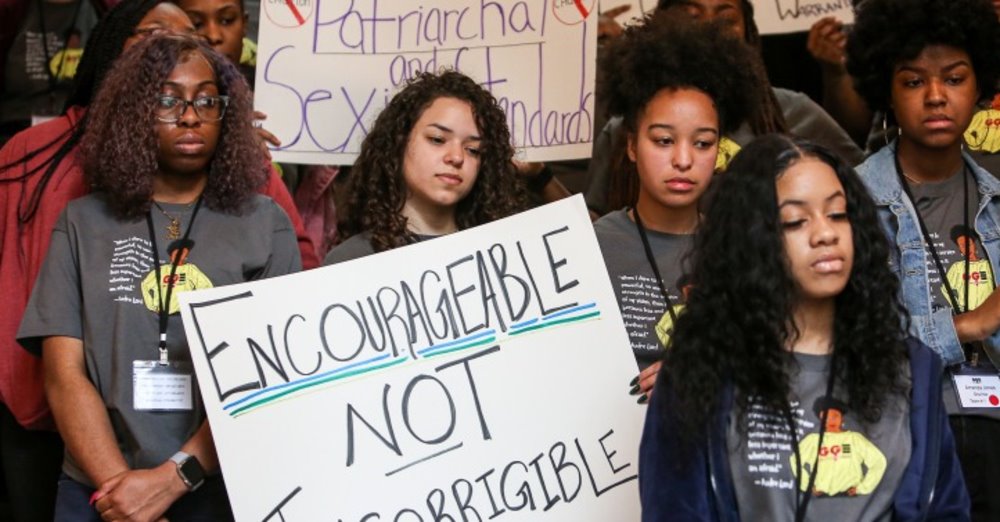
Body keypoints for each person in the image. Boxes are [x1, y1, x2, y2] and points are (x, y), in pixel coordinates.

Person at [17, 33, 300, 520]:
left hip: (218, 488)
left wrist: (173, 480)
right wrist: (122, 494)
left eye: (206, 100)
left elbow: (269, 379)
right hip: (99, 491)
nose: (189, 115)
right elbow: (64, 375)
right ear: (133, 112)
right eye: (167, 100)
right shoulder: (82, 222)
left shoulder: (265, 223)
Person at [639, 135, 968, 521]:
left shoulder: (912, 369)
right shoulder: (700, 374)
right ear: (752, 240)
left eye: (838, 214)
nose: (825, 234)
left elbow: (946, 511)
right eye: (796, 220)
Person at [846, 0, 1000, 519]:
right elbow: (849, 339)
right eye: (913, 82)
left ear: (979, 87)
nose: (936, 96)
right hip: (906, 438)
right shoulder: (852, 203)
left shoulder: (997, 202)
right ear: (885, 91)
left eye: (954, 78)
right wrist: (969, 324)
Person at [591, 13, 758, 401]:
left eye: (702, 143)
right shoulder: (594, 248)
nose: (683, 160)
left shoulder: (742, 252)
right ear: (632, 146)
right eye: (664, 140)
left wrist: (703, 373)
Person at [583, 0, 863, 217]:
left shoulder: (793, 112)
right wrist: (540, 175)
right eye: (691, 16)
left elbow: (865, 185)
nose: (709, 27)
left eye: (726, 19)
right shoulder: (625, 127)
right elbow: (595, 219)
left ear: (749, 33)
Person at [323, 70, 528, 264]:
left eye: (473, 150)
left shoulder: (505, 256)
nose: (457, 157)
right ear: (399, 142)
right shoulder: (350, 261)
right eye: (437, 139)